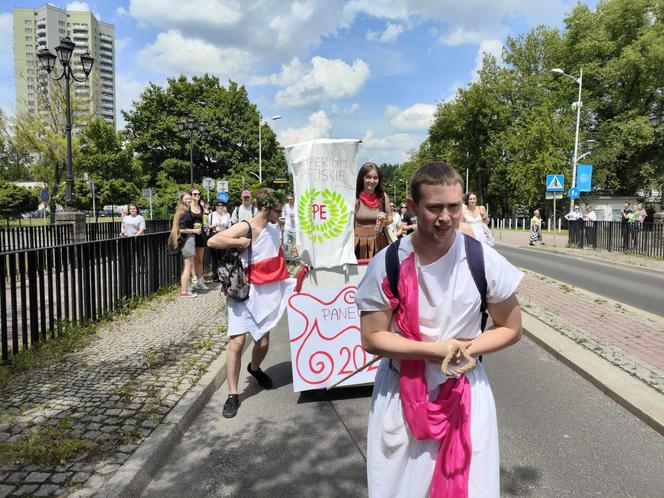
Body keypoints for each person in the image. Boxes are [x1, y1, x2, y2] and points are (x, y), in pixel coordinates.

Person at [355, 161, 523, 497]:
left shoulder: (482, 259)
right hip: (401, 394)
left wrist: (466, 350)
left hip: (465, 393)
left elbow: (511, 327)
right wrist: (434, 351)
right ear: (413, 206)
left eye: (454, 206)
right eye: (434, 208)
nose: (446, 217)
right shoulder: (388, 262)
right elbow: (372, 338)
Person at [208, 188, 295, 418]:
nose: (281, 214)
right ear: (267, 209)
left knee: (264, 341)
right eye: (278, 210)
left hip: (263, 292)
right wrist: (239, 243)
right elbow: (213, 240)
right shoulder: (248, 226)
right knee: (237, 342)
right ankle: (233, 394)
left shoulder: (275, 226)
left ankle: (254, 369)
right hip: (242, 290)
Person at [354, 162, 393, 259]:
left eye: (375, 178)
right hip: (357, 242)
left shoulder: (382, 196)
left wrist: (386, 221)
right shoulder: (354, 196)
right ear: (362, 178)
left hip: (378, 242)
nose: (372, 181)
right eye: (368, 177)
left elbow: (391, 217)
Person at [170, 192, 200, 298]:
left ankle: (185, 289)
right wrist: (195, 231)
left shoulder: (183, 210)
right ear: (182, 200)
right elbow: (182, 229)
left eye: (189, 198)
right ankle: (184, 292)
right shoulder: (184, 212)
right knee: (188, 266)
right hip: (187, 240)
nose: (188, 200)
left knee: (187, 266)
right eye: (186, 199)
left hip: (188, 240)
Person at [189, 189, 209, 291]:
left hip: (200, 235)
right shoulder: (188, 207)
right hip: (190, 236)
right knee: (191, 260)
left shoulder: (201, 207)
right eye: (194, 194)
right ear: (191, 195)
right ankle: (193, 281)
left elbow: (204, 220)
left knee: (200, 260)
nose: (197, 195)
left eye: (198, 194)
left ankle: (200, 280)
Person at [209, 201, 231, 282]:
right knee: (214, 257)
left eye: (222, 205)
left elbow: (230, 226)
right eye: (218, 205)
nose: (220, 207)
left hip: (223, 235)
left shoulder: (227, 215)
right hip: (214, 235)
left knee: (223, 256)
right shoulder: (211, 215)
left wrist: (226, 226)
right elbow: (207, 227)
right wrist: (213, 226)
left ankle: (223, 275)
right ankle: (215, 276)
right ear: (215, 206)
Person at [280, 193, 298, 262]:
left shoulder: (297, 206)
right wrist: (282, 226)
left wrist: (294, 217)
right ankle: (287, 258)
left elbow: (301, 217)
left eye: (291, 199)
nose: (289, 201)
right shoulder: (285, 206)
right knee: (285, 243)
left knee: (294, 244)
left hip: (295, 228)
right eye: (288, 200)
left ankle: (294, 258)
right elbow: (283, 216)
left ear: (293, 199)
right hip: (287, 227)